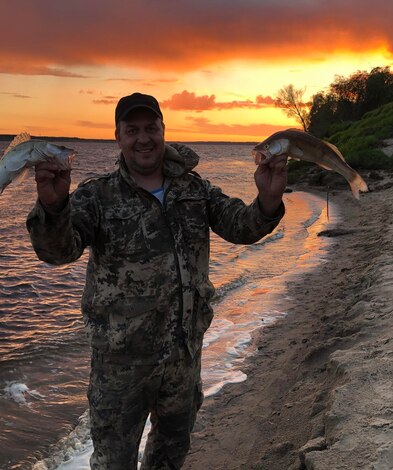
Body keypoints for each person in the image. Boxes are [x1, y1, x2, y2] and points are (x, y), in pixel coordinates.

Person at [27, 92, 288, 469]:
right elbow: (58, 253)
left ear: (164, 130)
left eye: (151, 128)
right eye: (132, 130)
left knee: (170, 456)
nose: (143, 138)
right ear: (118, 137)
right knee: (113, 463)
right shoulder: (97, 195)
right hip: (120, 366)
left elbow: (240, 227)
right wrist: (53, 207)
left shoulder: (194, 189)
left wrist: (267, 199)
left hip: (183, 356)